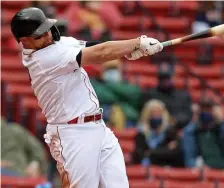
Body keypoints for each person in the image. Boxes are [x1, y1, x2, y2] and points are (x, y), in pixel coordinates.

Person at [10, 7, 163, 188]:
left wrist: (127, 50)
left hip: (98, 126)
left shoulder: (58, 44)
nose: (48, 36)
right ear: (24, 41)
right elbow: (100, 53)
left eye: (46, 30)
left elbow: (94, 46)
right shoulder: (43, 59)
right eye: (39, 35)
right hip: (72, 134)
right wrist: (138, 42)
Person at [141, 62, 192, 127]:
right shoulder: (150, 94)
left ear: (173, 77)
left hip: (177, 129)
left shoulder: (183, 96)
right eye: (162, 78)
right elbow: (144, 116)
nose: (165, 80)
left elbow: (188, 114)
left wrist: (175, 120)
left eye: (167, 77)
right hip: (155, 130)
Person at [183, 97, 224, 169]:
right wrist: (195, 120)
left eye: (208, 109)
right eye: (203, 109)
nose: (206, 112)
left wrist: (221, 122)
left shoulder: (219, 128)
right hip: (203, 170)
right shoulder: (192, 130)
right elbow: (189, 159)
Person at [132, 99, 170, 166]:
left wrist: (151, 153)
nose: (156, 115)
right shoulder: (141, 133)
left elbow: (171, 153)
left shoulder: (169, 132)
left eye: (159, 112)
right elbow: (140, 153)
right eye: (153, 112)